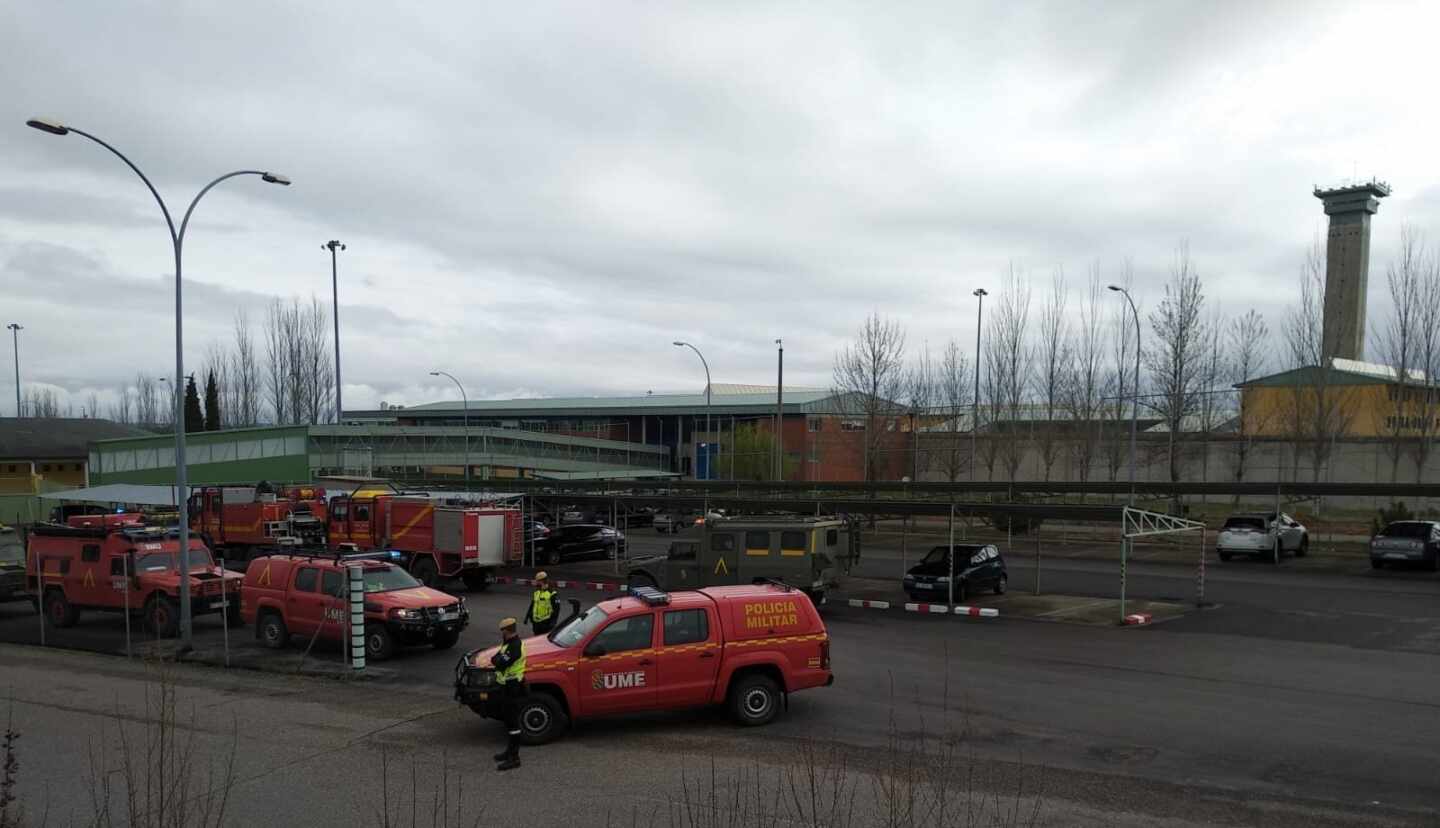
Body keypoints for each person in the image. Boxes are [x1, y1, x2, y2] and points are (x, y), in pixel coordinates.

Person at [491, 617, 527, 771]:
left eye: (502, 631)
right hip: (507, 686)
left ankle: (514, 758)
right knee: (508, 720)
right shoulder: (509, 644)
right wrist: (497, 659)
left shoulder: (515, 646)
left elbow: (500, 662)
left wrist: (497, 660)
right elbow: (495, 658)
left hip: (513, 687)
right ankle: (509, 751)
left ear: (506, 631)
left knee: (513, 723)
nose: (502, 633)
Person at [524, 571, 560, 636]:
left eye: (537, 581)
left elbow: (556, 609)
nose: (536, 582)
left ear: (541, 581)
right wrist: (527, 617)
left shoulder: (552, 593)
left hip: (545, 623)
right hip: (536, 623)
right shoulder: (537, 592)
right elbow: (532, 605)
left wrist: (553, 622)